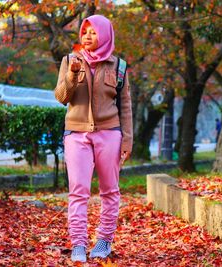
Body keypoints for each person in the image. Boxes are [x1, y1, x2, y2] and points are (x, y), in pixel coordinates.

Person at [54, 15, 133, 263]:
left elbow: (126, 105)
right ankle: (78, 244)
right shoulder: (70, 60)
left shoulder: (118, 66)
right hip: (76, 135)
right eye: (84, 31)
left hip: (110, 134)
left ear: (105, 35)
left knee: (110, 191)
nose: (87, 36)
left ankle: (104, 241)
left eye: (93, 32)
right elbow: (61, 97)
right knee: (78, 192)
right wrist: (71, 77)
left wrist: (127, 140)